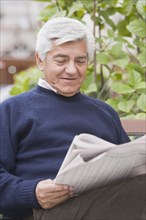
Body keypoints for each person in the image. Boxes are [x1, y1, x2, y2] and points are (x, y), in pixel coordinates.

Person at [0, 17, 145, 220]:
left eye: (80, 61)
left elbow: (132, 172)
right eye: (61, 60)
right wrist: (32, 192)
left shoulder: (105, 113)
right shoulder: (11, 111)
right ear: (40, 60)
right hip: (42, 213)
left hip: (106, 206)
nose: (72, 69)